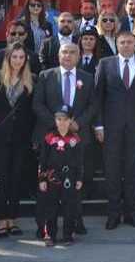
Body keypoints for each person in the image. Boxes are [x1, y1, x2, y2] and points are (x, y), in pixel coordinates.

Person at [32, 42, 96, 236]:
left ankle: (76, 221)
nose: (68, 56)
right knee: (46, 186)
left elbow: (93, 105)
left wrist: (78, 123)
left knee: (75, 184)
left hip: (77, 139)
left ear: (79, 56)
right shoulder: (46, 76)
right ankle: (43, 225)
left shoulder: (88, 77)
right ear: (59, 55)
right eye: (64, 52)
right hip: (50, 140)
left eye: (72, 53)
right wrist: (57, 123)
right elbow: (37, 104)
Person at [94, 31, 135, 230]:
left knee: (133, 172)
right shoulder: (105, 64)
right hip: (111, 128)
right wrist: (99, 125)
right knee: (112, 171)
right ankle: (113, 215)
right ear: (116, 44)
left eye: (130, 42)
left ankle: (132, 214)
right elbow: (98, 97)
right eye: (122, 42)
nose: (126, 45)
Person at [0, 43, 35, 238]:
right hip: (0, 137)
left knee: (17, 178)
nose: (18, 61)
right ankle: (2, 220)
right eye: (14, 57)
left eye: (21, 57)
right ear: (8, 58)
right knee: (2, 178)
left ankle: (13, 219)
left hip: (21, 137)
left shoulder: (31, 81)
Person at [37, 109, 84, 246]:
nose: (61, 122)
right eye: (58, 119)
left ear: (70, 120)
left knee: (70, 206)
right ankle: (50, 235)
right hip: (52, 177)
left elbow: (80, 161)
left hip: (70, 177)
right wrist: (42, 179)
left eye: (64, 119)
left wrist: (80, 178)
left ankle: (68, 235)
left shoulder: (75, 139)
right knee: (50, 206)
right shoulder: (49, 138)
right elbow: (43, 161)